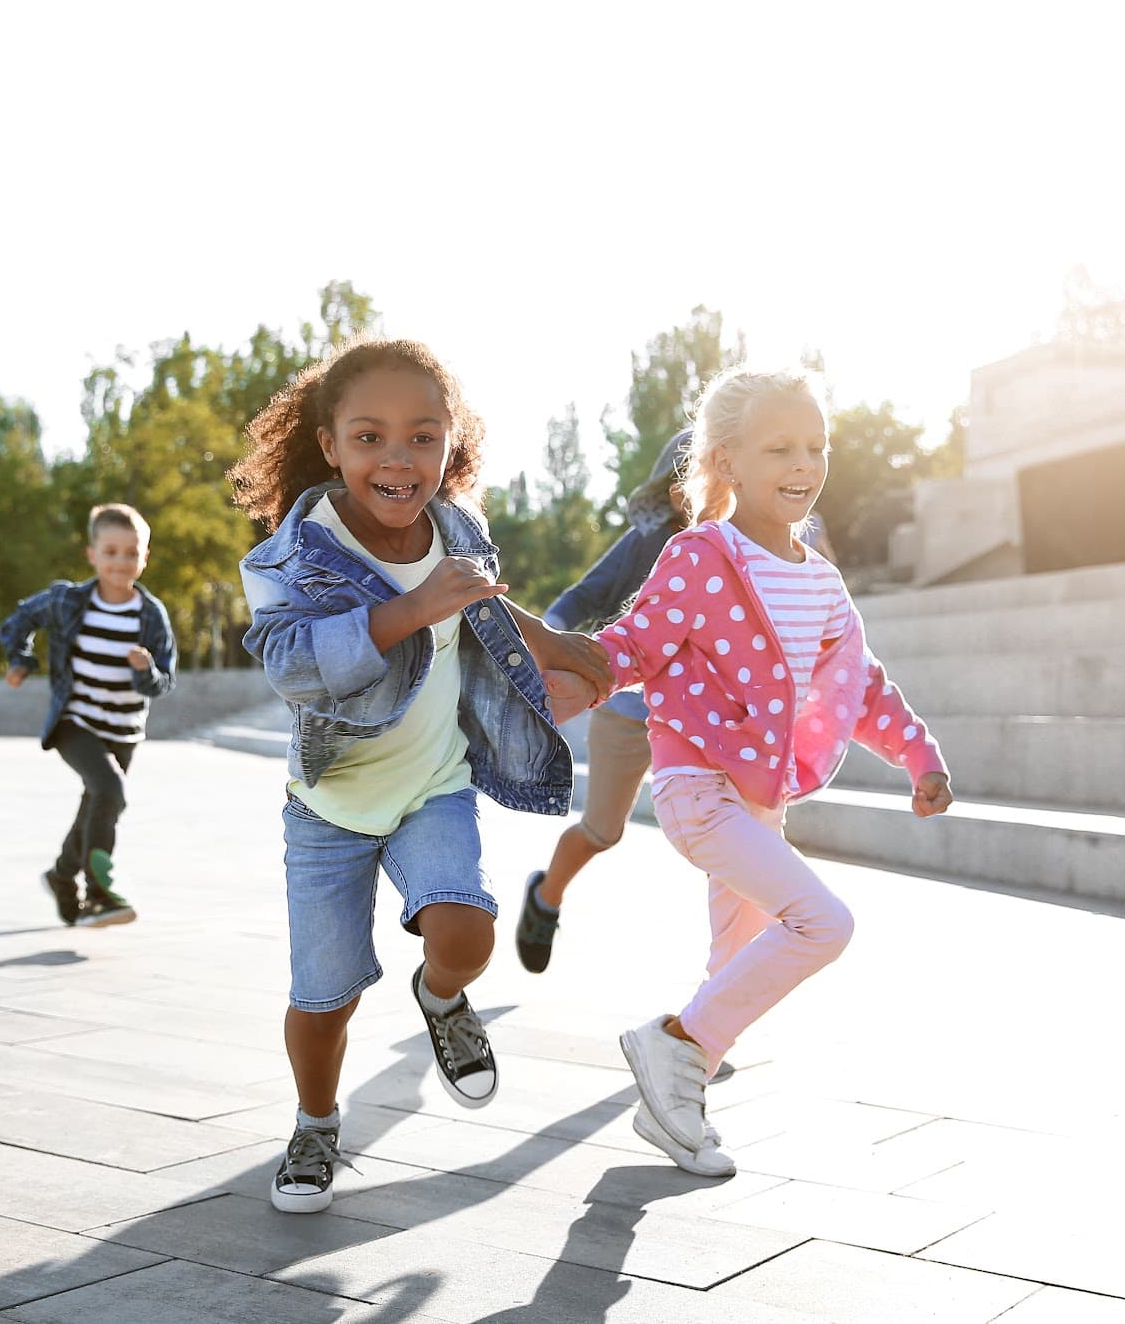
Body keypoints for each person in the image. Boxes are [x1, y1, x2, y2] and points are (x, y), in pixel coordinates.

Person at [229, 337, 611, 1215]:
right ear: (329, 444)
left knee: (467, 933)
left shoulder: (457, 526)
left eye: (423, 437)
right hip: (328, 806)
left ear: (451, 443)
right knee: (323, 999)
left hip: (432, 785)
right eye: (370, 437)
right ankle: (317, 1124)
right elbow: (291, 664)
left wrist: (557, 647)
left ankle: (441, 999)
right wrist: (411, 607)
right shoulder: (293, 555)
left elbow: (479, 597)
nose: (398, 460)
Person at [573, 365, 952, 1177]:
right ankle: (672, 1042)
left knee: (730, 962)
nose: (804, 463)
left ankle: (674, 1108)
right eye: (779, 446)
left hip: (759, 802)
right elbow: (632, 645)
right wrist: (553, 653)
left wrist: (918, 754)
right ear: (727, 462)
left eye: (816, 446)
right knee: (824, 923)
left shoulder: (817, 575)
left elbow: (861, 682)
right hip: (700, 790)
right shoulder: (702, 555)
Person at [516, 429, 694, 973]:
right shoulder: (649, 539)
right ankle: (545, 899)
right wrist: (545, 643)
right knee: (602, 831)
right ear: (671, 489)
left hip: (696, 718)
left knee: (726, 837)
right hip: (627, 711)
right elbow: (584, 596)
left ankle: (727, 982)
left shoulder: (744, 543)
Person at [0, 503, 177, 928]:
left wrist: (145, 671)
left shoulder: (150, 615)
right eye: (111, 552)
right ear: (92, 554)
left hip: (124, 730)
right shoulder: (68, 600)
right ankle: (100, 893)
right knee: (110, 789)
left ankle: (62, 876)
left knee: (97, 805)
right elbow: (19, 619)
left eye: (131, 553)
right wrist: (21, 660)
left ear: (144, 557)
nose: (121, 562)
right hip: (74, 722)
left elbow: (165, 681)